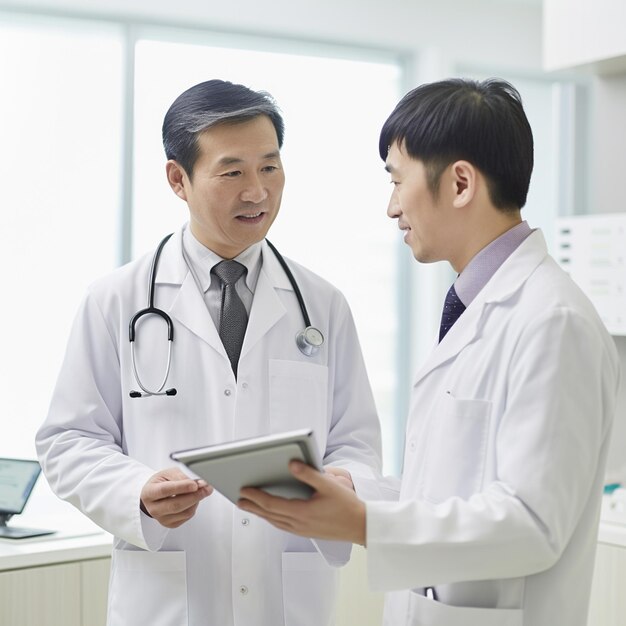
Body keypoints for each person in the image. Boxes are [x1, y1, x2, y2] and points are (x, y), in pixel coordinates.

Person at [238, 78, 620, 626]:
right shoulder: (477, 307)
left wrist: (365, 523)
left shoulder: (552, 321)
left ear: (460, 182)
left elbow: (533, 523)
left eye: (397, 180)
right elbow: (453, 490)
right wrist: (356, 492)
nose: (392, 207)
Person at [36, 79, 382, 626]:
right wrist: (138, 493)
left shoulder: (323, 304)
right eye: (232, 172)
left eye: (270, 167)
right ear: (178, 178)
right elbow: (68, 440)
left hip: (289, 597)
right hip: (169, 599)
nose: (258, 192)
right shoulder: (117, 300)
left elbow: (355, 440)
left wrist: (345, 483)